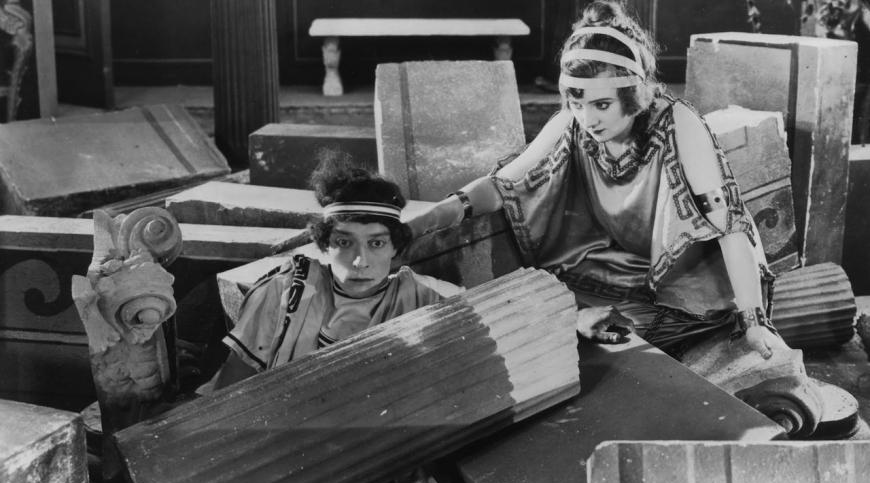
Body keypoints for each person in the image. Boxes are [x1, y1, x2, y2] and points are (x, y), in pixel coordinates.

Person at [405, 0, 850, 437]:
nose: (588, 118)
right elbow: (504, 182)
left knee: (603, 350)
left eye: (602, 105)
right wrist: (431, 218)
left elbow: (731, 228)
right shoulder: (576, 121)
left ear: (634, 94)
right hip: (615, 268)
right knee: (563, 330)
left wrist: (754, 323)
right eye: (577, 101)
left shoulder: (679, 123)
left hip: (692, 280)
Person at [206, 157, 462, 390]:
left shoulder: (426, 297)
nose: (360, 261)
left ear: (395, 246)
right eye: (344, 242)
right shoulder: (284, 292)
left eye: (376, 243)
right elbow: (229, 391)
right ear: (324, 244)